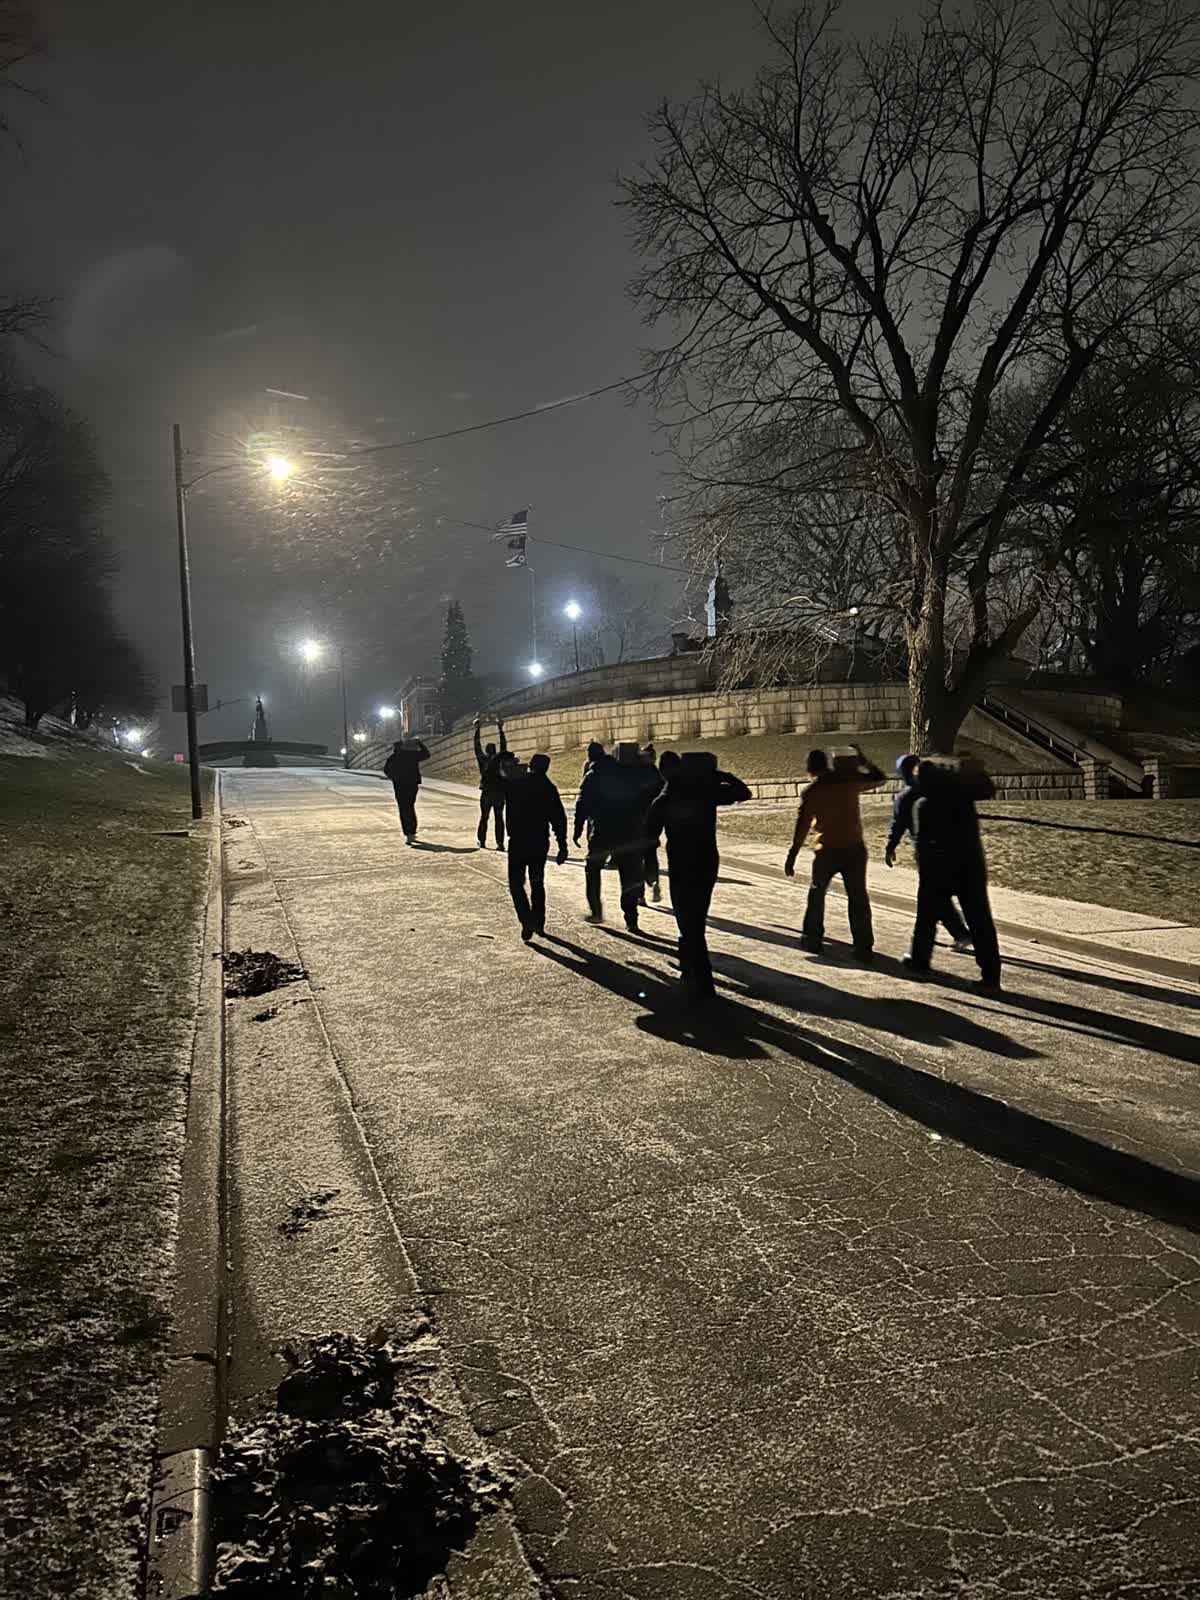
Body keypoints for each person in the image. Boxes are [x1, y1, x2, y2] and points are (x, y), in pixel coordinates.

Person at [648, 750, 751, 998]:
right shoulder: (705, 793)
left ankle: (702, 983)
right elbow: (743, 792)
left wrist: (650, 868)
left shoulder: (663, 800)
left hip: (681, 866)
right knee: (695, 921)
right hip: (706, 863)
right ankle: (689, 971)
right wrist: (718, 775)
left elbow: (649, 837)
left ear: (663, 773)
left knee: (688, 924)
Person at [904, 755, 1002, 991]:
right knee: (980, 923)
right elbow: (986, 789)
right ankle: (991, 977)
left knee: (926, 919)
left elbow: (924, 845)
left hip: (938, 872)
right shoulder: (962, 796)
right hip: (970, 868)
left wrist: (924, 873)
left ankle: (919, 961)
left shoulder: (924, 805)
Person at [784, 743, 885, 960]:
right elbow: (879, 778)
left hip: (826, 850)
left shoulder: (812, 792)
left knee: (817, 895)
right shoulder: (848, 783)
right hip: (854, 849)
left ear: (809, 769)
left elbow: (802, 825)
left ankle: (812, 940)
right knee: (858, 898)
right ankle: (863, 947)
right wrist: (862, 758)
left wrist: (792, 854)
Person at [886, 754, 973, 954]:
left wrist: (890, 847)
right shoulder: (941, 792)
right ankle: (960, 934)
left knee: (932, 899)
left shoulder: (906, 797)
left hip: (927, 855)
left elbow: (898, 825)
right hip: (951, 850)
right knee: (940, 897)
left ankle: (926, 952)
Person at [573, 742, 661, 930]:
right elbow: (652, 789)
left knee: (592, 868)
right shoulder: (628, 772)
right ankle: (631, 919)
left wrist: (578, 828)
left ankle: (596, 910)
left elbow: (582, 804)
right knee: (628, 874)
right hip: (629, 830)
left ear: (590, 758)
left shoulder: (592, 776)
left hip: (602, 831)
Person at [501, 753, 568, 942]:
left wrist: (506, 764)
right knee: (537, 881)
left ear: (530, 765)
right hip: (539, 841)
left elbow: (495, 781)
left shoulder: (516, 784)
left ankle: (526, 919)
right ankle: (539, 921)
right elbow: (558, 818)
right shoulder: (549, 788)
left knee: (516, 883)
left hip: (518, 841)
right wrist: (562, 845)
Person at [382, 737, 430, 844]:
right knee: (410, 806)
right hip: (412, 784)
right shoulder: (411, 755)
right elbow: (426, 754)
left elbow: (386, 770)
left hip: (399, 785)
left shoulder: (393, 757)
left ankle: (408, 832)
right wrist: (420, 744)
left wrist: (395, 777)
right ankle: (412, 831)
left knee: (403, 808)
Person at [473, 716, 508, 850]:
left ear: (487, 751)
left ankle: (482, 841)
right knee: (499, 818)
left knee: (484, 817)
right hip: (499, 793)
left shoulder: (483, 760)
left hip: (487, 793)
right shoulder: (499, 760)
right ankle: (500, 843)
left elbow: (476, 746)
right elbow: (504, 745)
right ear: (495, 751)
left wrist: (477, 729)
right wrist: (500, 729)